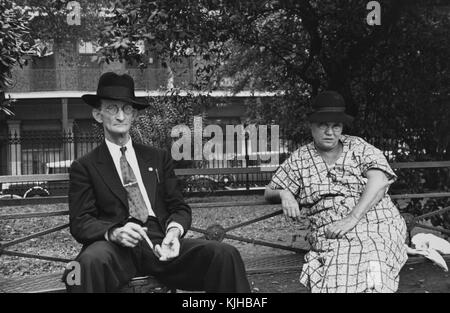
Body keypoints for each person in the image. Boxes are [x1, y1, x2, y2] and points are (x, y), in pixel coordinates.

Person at [65, 72, 251, 293]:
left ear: (134, 115)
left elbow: (179, 207)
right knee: (83, 266)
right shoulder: (85, 166)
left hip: (159, 243)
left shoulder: (157, 157)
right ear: (98, 114)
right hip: (116, 248)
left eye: (126, 109)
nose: (120, 116)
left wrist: (173, 234)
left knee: (225, 255)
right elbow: (80, 222)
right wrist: (114, 232)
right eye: (112, 109)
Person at [265, 91, 408, 293]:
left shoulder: (357, 147)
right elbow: (269, 190)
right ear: (312, 126)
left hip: (377, 223)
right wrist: (284, 194)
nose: (330, 132)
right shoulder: (300, 159)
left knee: (373, 256)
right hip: (333, 232)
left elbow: (380, 179)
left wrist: (352, 218)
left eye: (336, 126)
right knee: (342, 265)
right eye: (323, 125)